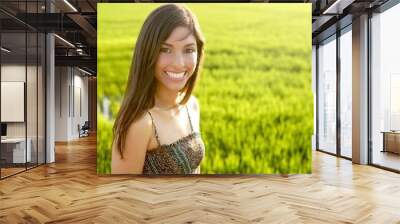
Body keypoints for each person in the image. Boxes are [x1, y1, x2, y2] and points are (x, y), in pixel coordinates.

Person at [111, 4, 206, 175]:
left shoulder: (191, 104)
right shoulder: (139, 123)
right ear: (148, 52)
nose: (178, 63)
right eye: (165, 49)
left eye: (189, 50)